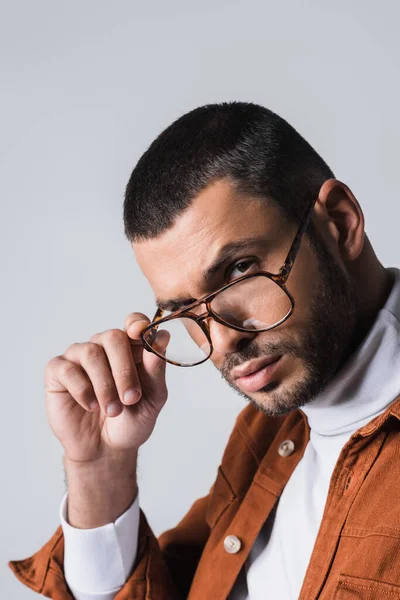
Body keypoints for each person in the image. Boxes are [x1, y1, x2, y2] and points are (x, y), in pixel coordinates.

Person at [9, 102, 400, 600]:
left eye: (239, 270)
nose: (221, 340)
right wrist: (100, 471)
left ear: (341, 223)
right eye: (182, 311)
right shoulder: (268, 434)